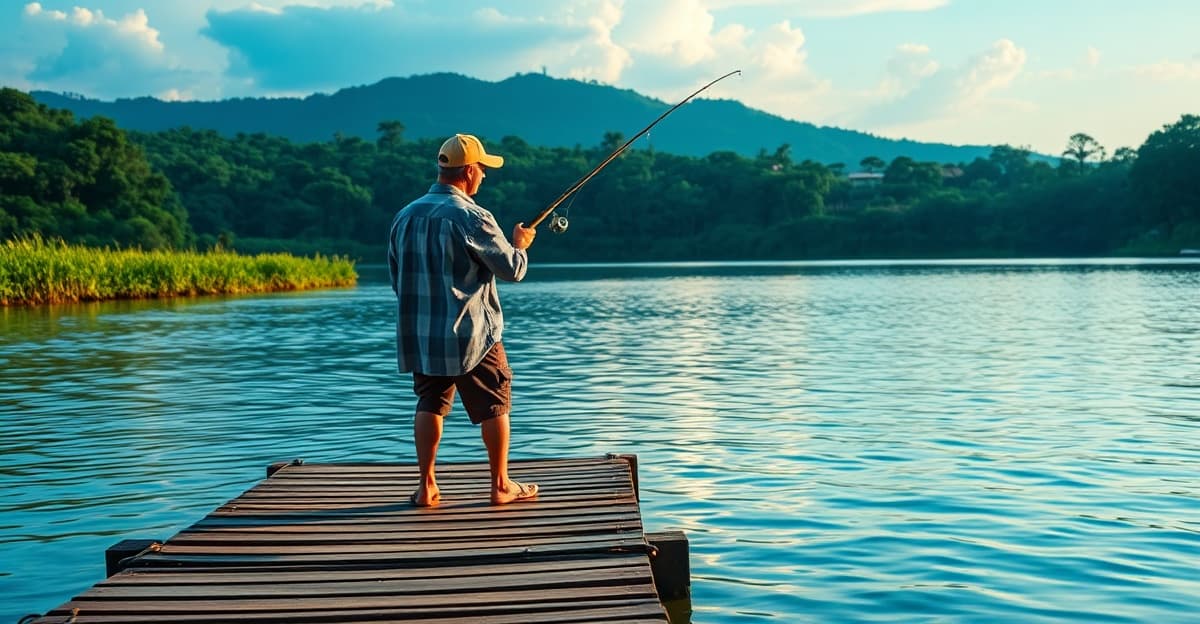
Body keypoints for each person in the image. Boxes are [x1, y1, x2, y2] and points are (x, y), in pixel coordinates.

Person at [387, 133, 539, 508]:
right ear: (469, 171)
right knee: (495, 404)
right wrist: (520, 243)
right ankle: (501, 485)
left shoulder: (404, 216)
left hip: (423, 335)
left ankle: (427, 487)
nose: (485, 176)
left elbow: (396, 276)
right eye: (483, 169)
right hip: (474, 335)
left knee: (429, 403)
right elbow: (512, 270)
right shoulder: (472, 216)